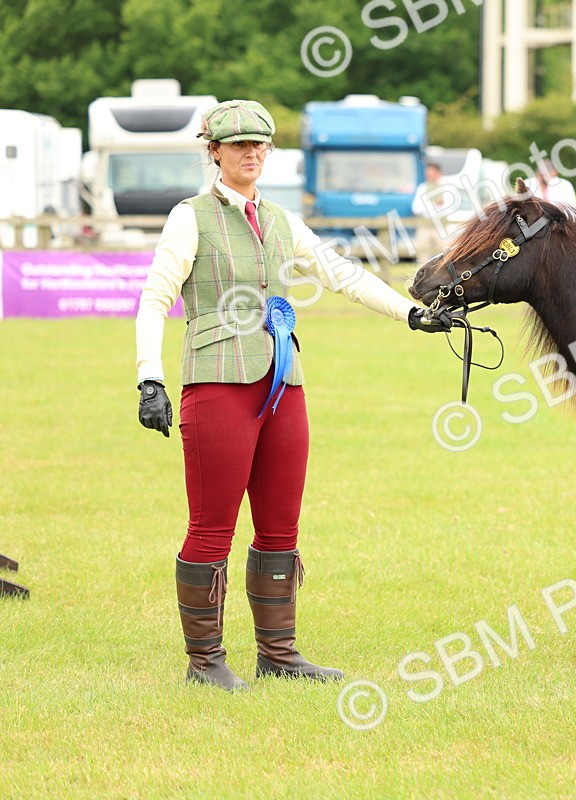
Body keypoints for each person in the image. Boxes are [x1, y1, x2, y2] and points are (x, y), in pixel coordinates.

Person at [135, 100, 455, 692]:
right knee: (212, 527)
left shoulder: (282, 220)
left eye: (259, 146)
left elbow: (343, 274)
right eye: (238, 146)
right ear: (215, 154)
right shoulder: (191, 217)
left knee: (281, 525)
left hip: (284, 385)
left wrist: (412, 314)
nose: (251, 154)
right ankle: (204, 662)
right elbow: (156, 296)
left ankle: (278, 653)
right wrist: (149, 377)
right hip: (217, 382)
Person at [412, 160, 453, 262]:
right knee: (422, 255)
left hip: (441, 227)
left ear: (439, 173)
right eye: (428, 173)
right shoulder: (422, 188)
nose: (429, 175)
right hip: (425, 226)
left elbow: (449, 207)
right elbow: (416, 208)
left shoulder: (447, 187)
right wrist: (434, 204)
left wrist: (429, 204)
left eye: (432, 173)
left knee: (445, 254)